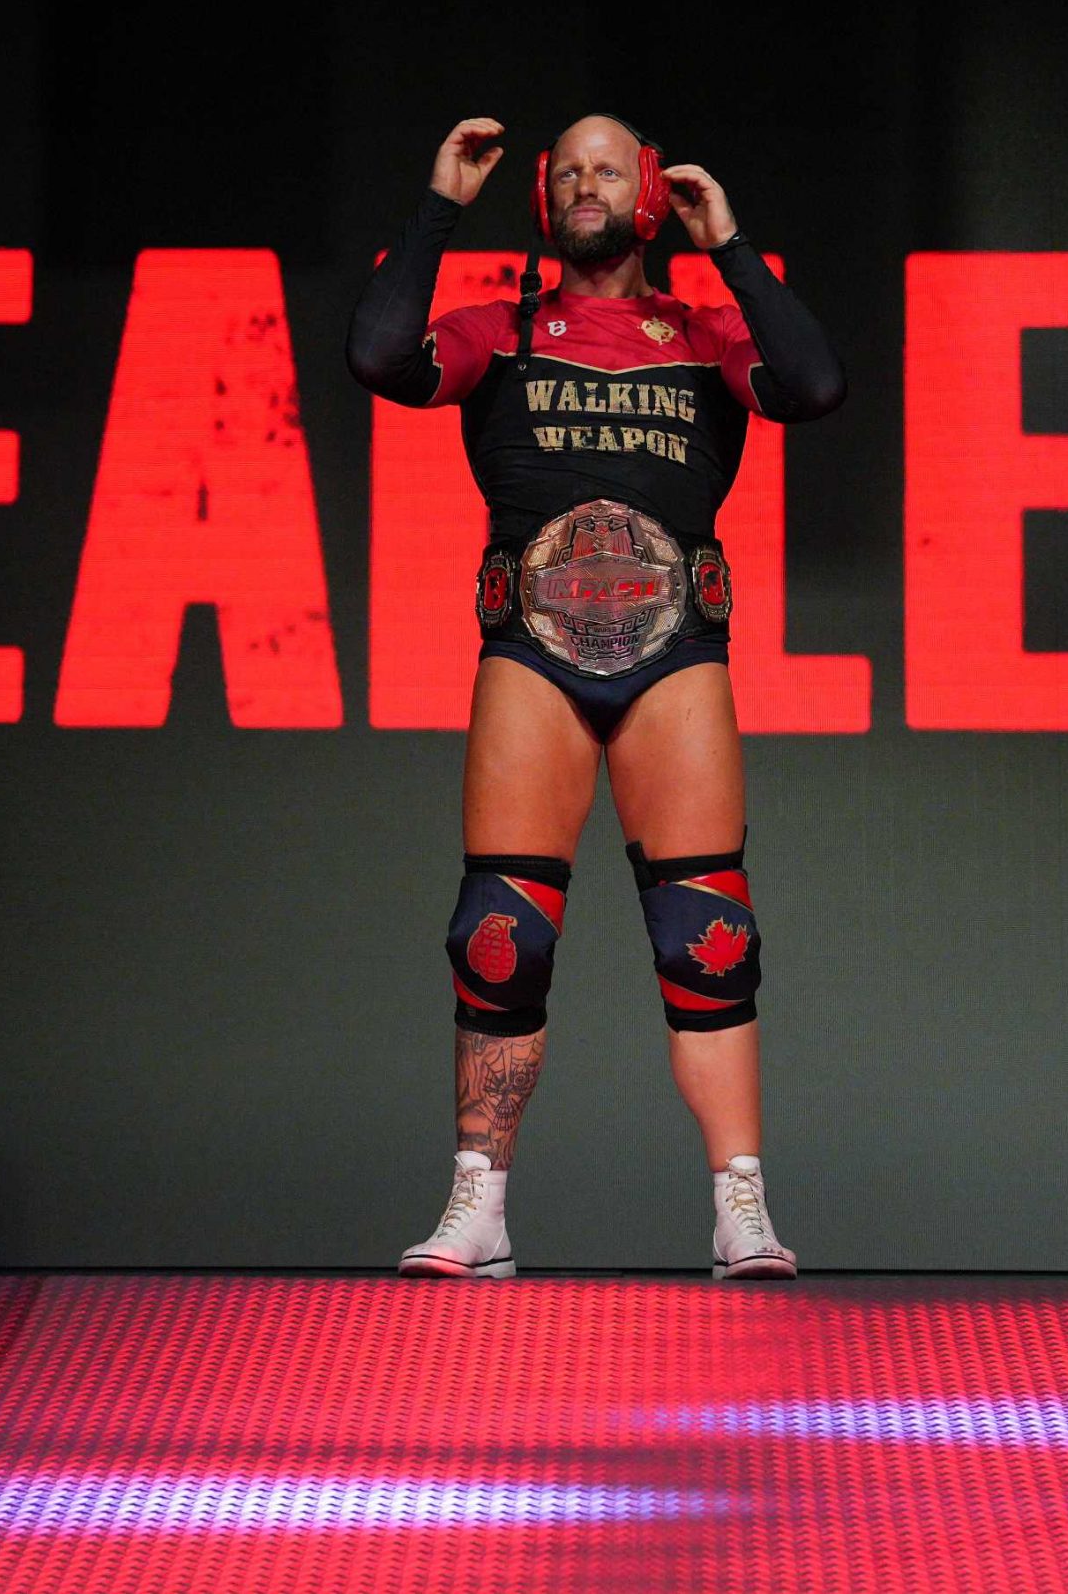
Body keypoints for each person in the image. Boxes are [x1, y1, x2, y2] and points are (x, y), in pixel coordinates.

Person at [348, 112, 845, 1281]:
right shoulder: (502, 332)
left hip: (676, 657)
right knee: (499, 934)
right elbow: (377, 357)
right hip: (533, 651)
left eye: (608, 169)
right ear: (540, 199)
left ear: (650, 196)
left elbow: (814, 384)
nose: (586, 183)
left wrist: (730, 248)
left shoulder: (704, 336)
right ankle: (478, 1204)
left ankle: (740, 1207)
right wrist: (438, 205)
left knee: (709, 936)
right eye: (567, 170)